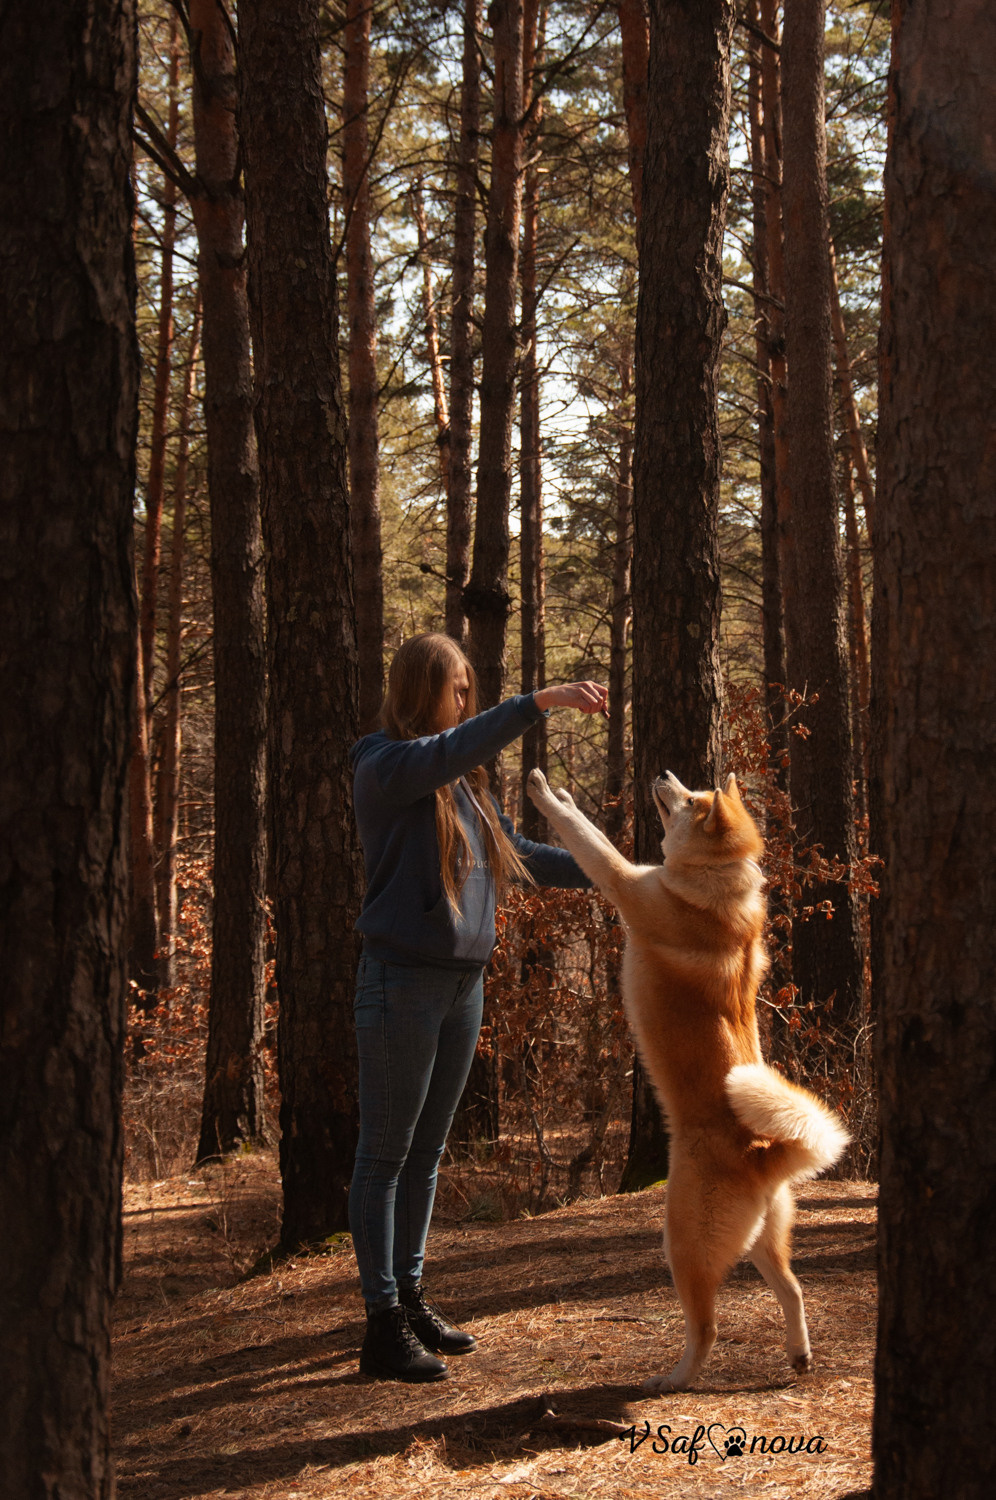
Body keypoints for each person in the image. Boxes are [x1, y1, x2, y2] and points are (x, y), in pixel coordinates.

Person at [348, 632, 608, 1382]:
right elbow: (449, 749)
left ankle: (412, 1295)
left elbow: (518, 858)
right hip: (400, 983)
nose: (464, 700)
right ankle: (382, 1322)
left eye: (471, 691)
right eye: (456, 688)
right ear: (422, 689)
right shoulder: (384, 765)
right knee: (385, 1154)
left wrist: (621, 874)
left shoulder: (463, 788)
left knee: (425, 1155)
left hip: (463, 984)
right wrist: (537, 702)